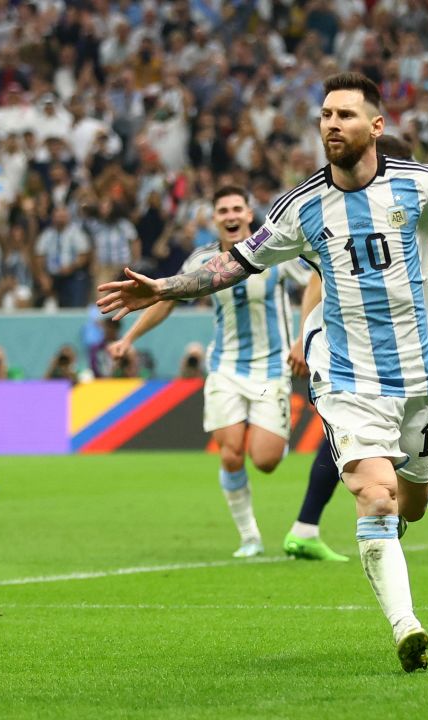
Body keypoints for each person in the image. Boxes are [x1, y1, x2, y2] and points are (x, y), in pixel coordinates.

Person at [97, 73, 428, 672]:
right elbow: (235, 264)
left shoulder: (422, 185)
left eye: (346, 115)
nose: (332, 124)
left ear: (376, 126)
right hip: (347, 377)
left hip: (421, 377)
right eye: (326, 115)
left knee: (412, 504)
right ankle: (406, 626)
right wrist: (164, 288)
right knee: (374, 496)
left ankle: (390, 536)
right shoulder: (300, 208)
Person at [282, 133, 428, 564]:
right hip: (352, 358)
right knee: (397, 444)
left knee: (368, 445)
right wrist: (303, 338)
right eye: (405, 167)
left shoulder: (402, 219)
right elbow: (317, 280)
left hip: (394, 358)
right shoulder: (346, 215)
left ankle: (305, 527)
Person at [106, 186, 313, 558]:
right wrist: (129, 338)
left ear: (249, 213)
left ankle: (271, 438)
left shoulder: (276, 249)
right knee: (231, 454)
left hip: (272, 367)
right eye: (223, 210)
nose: (231, 216)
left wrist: (303, 337)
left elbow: (317, 278)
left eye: (237, 208)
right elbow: (166, 297)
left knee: (265, 461)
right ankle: (249, 537)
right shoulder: (202, 259)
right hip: (225, 367)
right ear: (214, 219)